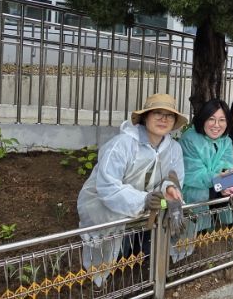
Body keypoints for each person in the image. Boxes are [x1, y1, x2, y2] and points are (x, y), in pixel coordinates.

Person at [77, 93, 187, 285]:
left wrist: (169, 189)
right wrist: (142, 200)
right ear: (145, 117)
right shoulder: (122, 144)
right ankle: (104, 278)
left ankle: (144, 268)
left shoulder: (173, 149)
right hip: (106, 204)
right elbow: (108, 186)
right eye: (157, 113)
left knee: (147, 244)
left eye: (169, 115)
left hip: (148, 205)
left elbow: (172, 178)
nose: (163, 119)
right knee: (112, 250)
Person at [179, 99, 233, 230]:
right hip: (193, 188)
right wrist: (222, 180)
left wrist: (229, 178)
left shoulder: (226, 141)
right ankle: (200, 230)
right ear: (203, 119)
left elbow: (227, 166)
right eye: (211, 119)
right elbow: (195, 175)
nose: (216, 125)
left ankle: (225, 227)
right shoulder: (189, 139)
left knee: (232, 186)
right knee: (203, 192)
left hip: (215, 184)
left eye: (222, 120)